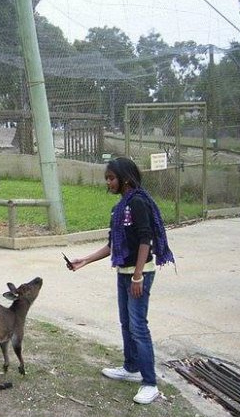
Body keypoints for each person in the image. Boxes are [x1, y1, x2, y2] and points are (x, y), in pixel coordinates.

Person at [64, 157, 174, 404]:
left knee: (138, 326)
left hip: (140, 274)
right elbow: (112, 245)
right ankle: (131, 367)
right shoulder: (120, 207)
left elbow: (146, 240)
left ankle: (150, 383)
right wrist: (85, 260)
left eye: (111, 178)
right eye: (107, 178)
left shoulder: (137, 203)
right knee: (126, 323)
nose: (108, 182)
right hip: (124, 275)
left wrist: (137, 276)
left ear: (125, 178)